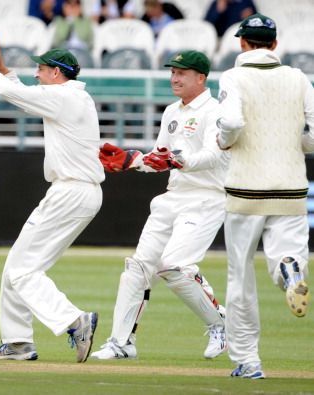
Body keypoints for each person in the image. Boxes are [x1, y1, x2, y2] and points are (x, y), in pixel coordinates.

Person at [0, 31, 104, 363]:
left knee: (23, 271)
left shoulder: (64, 98)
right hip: (75, 191)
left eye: (42, 70)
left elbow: (7, 93)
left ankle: (75, 321)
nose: (37, 74)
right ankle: (18, 342)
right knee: (16, 267)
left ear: (57, 74)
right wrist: (5, 69)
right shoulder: (68, 96)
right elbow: (22, 90)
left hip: (71, 192)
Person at [91, 50, 229, 361]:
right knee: (137, 269)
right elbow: (160, 158)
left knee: (174, 266)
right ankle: (121, 343)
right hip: (172, 197)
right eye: (172, 72)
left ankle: (222, 324)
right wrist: (133, 161)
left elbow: (213, 155)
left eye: (182, 73)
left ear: (201, 78)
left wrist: (179, 159)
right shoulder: (171, 111)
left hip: (206, 197)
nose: (174, 78)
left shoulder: (215, 111)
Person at [216, 13, 312, 379]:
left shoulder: (234, 76)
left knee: (240, 276)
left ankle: (248, 360)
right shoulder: (297, 77)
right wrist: (296, 144)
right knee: (288, 252)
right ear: (274, 44)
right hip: (290, 185)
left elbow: (232, 124)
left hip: (245, 187)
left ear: (242, 43)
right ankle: (290, 269)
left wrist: (222, 142)